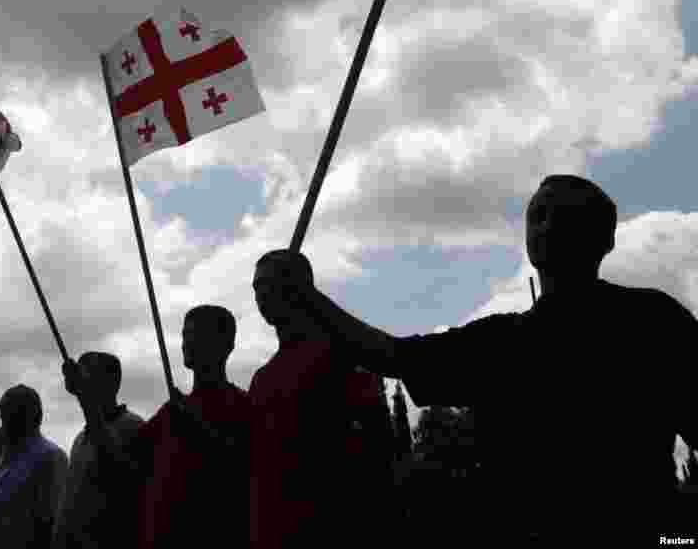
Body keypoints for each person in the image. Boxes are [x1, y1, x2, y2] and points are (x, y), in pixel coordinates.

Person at [260, 175, 698, 544]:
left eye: (563, 215)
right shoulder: (500, 340)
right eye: (537, 215)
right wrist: (308, 298)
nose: (546, 226)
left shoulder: (653, 320)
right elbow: (394, 355)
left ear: (605, 239)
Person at [248, 251, 393, 549]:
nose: (260, 295)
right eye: (256, 288)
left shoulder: (342, 358)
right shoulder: (262, 379)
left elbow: (381, 451)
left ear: (300, 288)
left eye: (268, 284)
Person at [117, 305, 251, 548]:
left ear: (226, 345)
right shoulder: (173, 411)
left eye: (197, 335)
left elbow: (245, 470)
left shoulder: (243, 406)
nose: (186, 343)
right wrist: (89, 402)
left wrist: (197, 426)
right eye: (185, 335)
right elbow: (122, 463)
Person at [0, 385, 68, 549]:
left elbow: (51, 524)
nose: (4, 424)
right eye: (3, 416)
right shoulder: (7, 457)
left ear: (30, 416)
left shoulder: (49, 456)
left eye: (10, 416)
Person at [56, 351, 145, 549]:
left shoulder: (133, 428)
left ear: (111, 383)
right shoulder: (81, 438)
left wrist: (84, 398)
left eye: (86, 375)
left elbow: (115, 467)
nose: (80, 380)